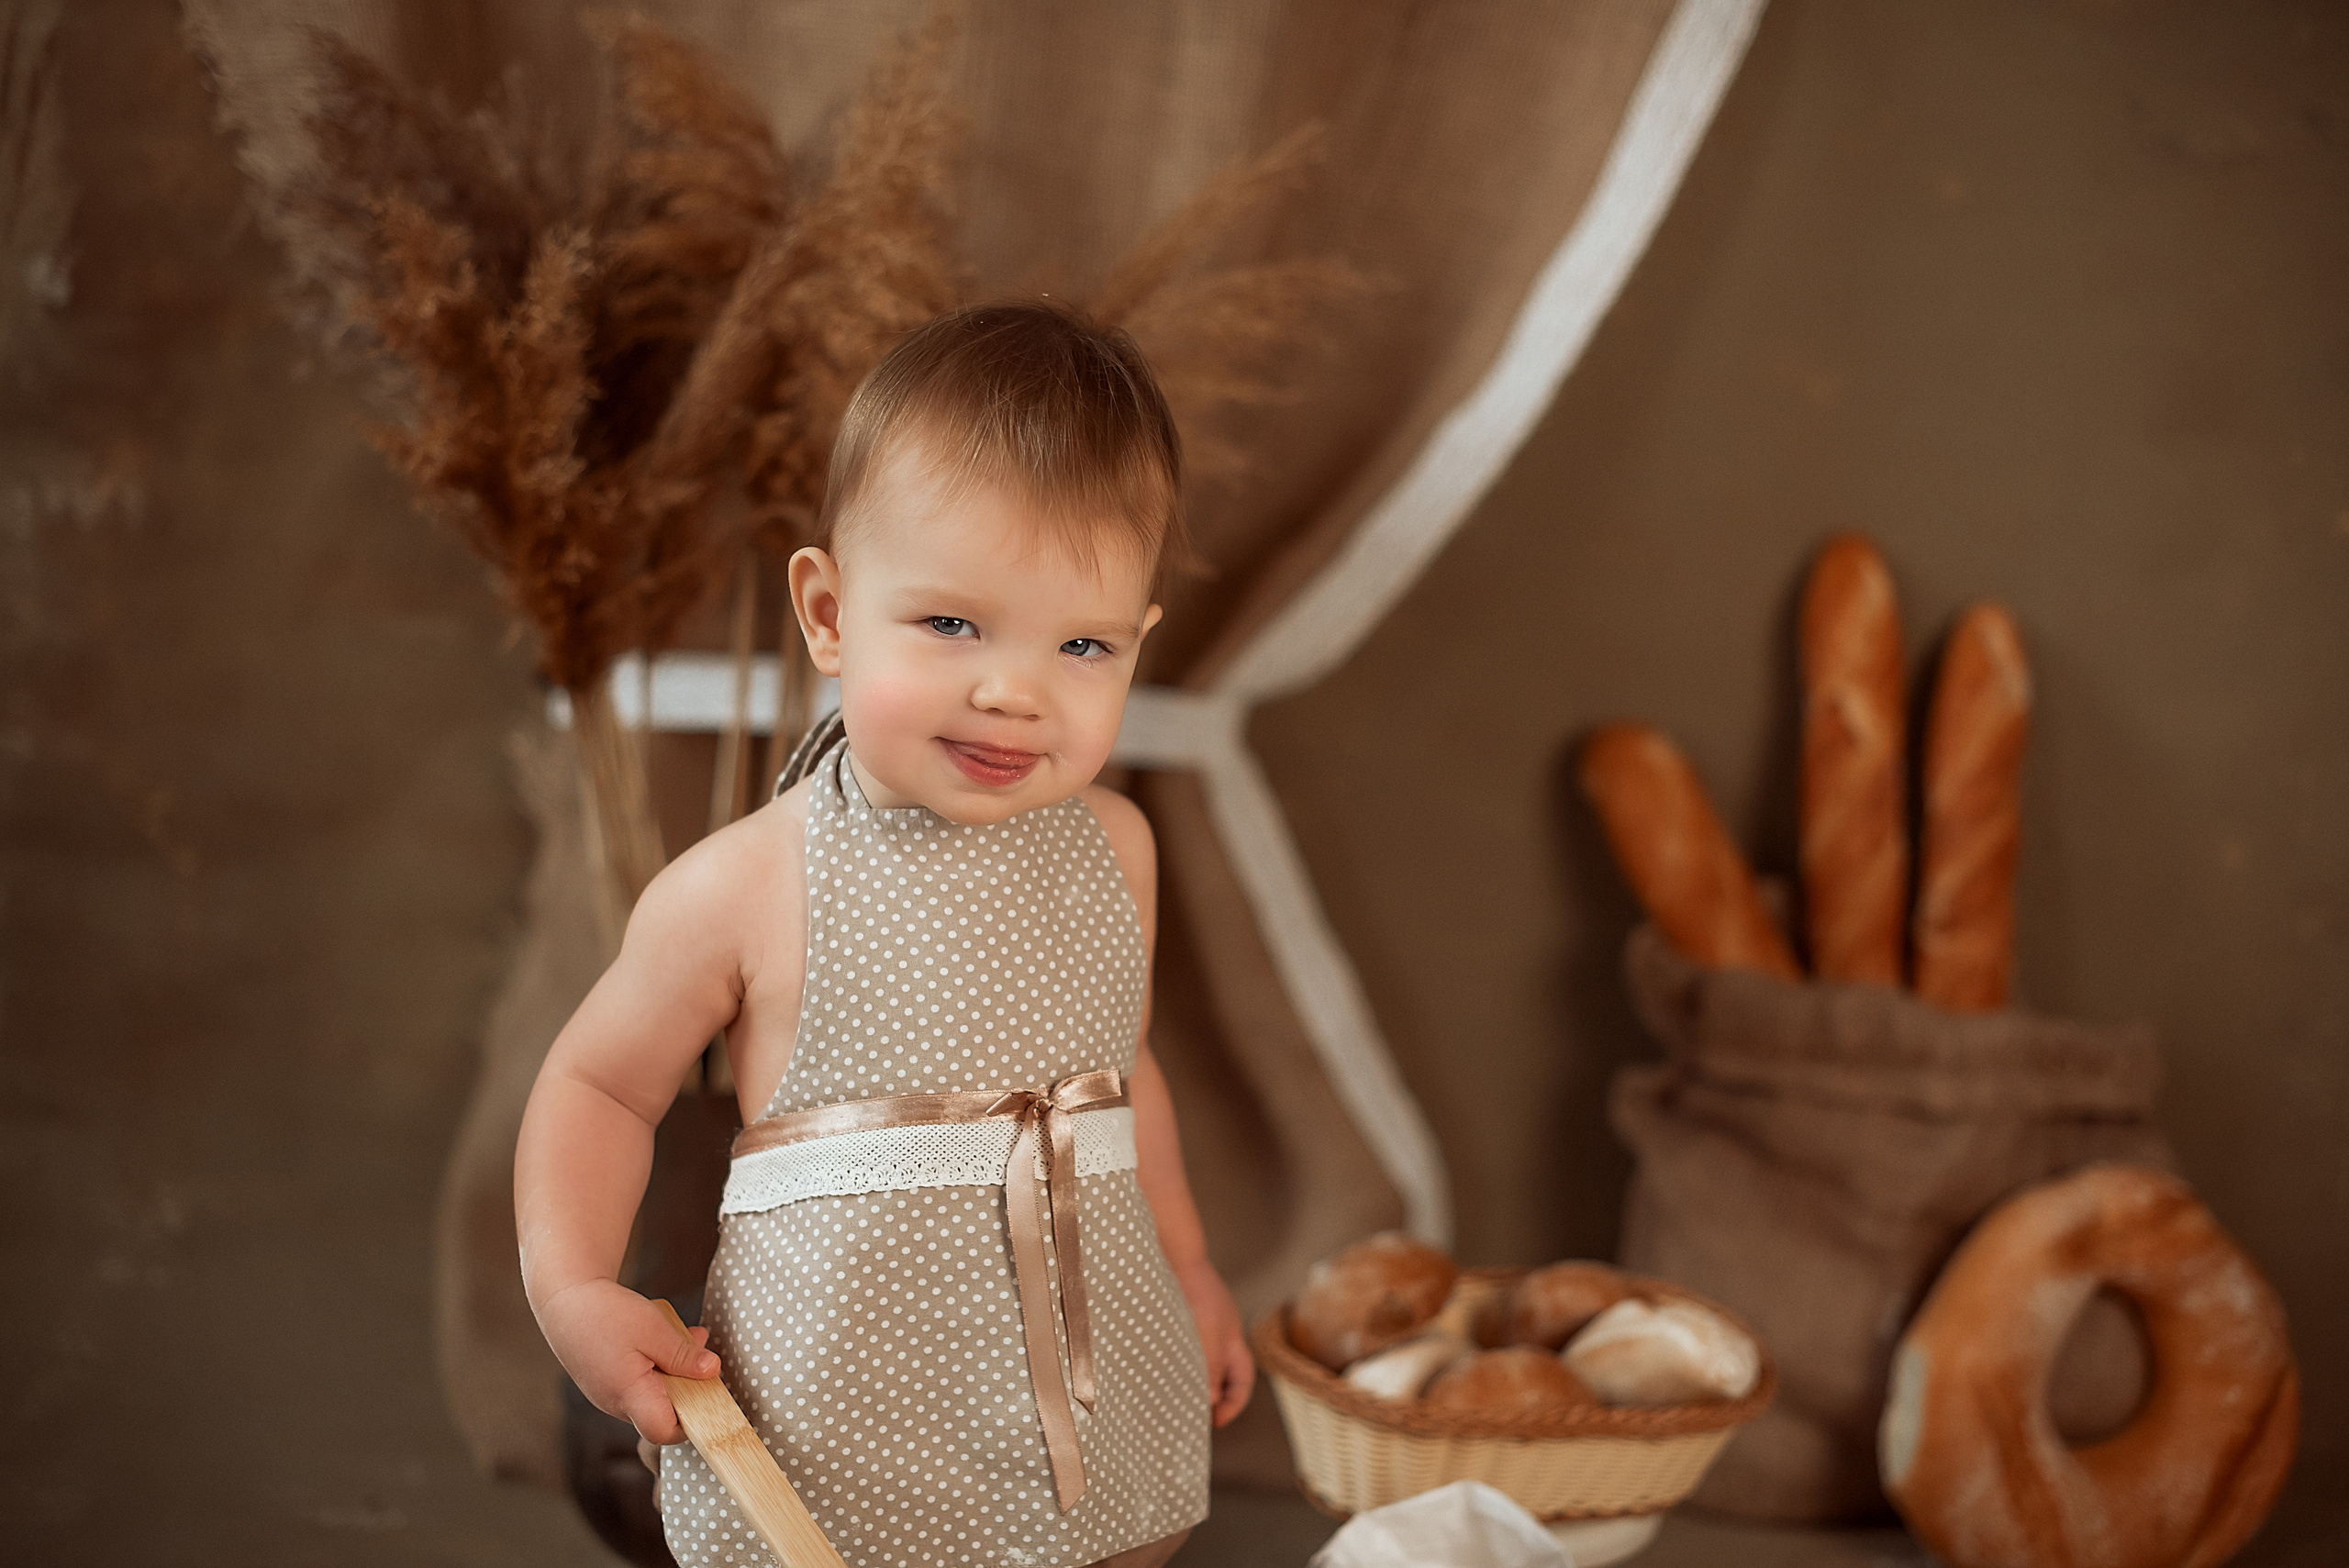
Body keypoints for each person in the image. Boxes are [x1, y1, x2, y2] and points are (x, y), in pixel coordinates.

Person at [515, 300, 1252, 1568]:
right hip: (843, 1409)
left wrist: (1188, 1269)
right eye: (952, 624)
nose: (1012, 688)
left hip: (1082, 1355)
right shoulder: (747, 884)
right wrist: (575, 1286)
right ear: (830, 610)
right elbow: (598, 1082)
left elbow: (1126, 1079)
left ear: (1137, 646)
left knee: (1118, 1541)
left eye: (1081, 643)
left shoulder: (1114, 847)